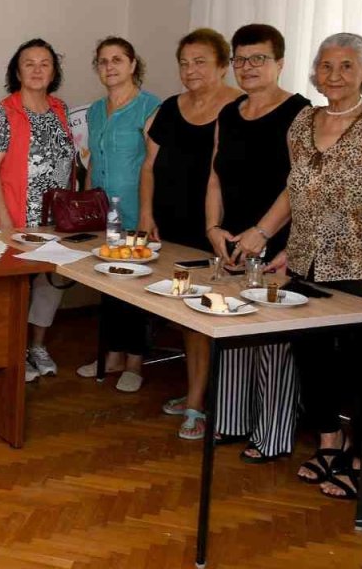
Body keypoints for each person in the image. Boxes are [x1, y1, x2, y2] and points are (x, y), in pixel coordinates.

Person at [272, 33, 362, 499]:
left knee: (361, 367)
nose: (335, 75)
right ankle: (329, 441)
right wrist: (280, 243)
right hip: (307, 261)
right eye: (326, 66)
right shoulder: (302, 121)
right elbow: (297, 190)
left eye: (347, 66)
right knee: (311, 357)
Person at [205, 24, 310, 463]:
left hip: (278, 241)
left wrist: (262, 232)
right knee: (233, 323)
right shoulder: (230, 113)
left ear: (279, 63)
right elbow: (215, 175)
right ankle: (231, 420)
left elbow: (298, 183)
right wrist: (213, 227)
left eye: (258, 59)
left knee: (273, 337)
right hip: (230, 239)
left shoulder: (301, 113)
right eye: (240, 59)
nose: (247, 67)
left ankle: (272, 434)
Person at [140, 28, 241, 438]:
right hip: (171, 229)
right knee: (185, 314)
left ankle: (200, 404)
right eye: (184, 63)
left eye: (200, 61)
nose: (190, 70)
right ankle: (196, 394)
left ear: (222, 64)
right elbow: (149, 166)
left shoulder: (239, 107)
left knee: (205, 314)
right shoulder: (170, 107)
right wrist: (146, 214)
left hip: (214, 231)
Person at [0, 38, 75, 383]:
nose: (37, 70)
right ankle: (14, 350)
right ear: (17, 72)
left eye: (44, 64)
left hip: (56, 220)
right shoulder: (5, 112)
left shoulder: (62, 109)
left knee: (52, 283)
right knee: (17, 287)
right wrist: (7, 225)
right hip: (16, 218)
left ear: (53, 72)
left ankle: (37, 345)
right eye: (29, 64)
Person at [77, 36, 161, 392]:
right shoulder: (96, 110)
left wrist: (147, 214)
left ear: (132, 64)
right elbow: (93, 160)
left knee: (135, 286)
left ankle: (135, 363)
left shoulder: (150, 107)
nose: (109, 67)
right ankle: (111, 356)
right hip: (103, 211)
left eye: (117, 60)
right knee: (109, 284)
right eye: (103, 61)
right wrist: (84, 206)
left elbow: (153, 165)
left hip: (135, 209)